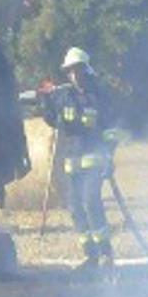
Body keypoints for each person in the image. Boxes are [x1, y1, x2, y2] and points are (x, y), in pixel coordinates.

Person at [37, 47, 125, 267]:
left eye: (78, 70)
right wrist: (46, 98)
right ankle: (91, 255)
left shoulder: (100, 96)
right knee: (75, 207)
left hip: (95, 159)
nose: (75, 75)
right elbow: (52, 119)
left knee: (90, 201)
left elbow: (112, 130)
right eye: (70, 71)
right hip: (73, 162)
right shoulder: (64, 95)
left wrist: (109, 156)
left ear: (87, 69)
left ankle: (105, 253)